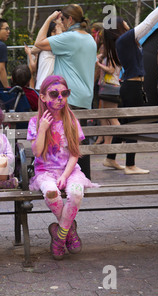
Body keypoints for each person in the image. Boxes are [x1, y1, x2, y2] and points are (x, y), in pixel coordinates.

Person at [27, 75, 99, 260]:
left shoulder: (71, 121)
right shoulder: (36, 122)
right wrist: (42, 129)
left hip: (70, 170)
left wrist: (65, 176)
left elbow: (75, 153)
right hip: (45, 173)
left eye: (64, 93)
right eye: (54, 94)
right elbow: (36, 152)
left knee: (75, 193)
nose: (60, 98)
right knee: (51, 193)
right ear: (42, 97)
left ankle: (59, 237)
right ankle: (70, 230)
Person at [105, 0, 158, 175]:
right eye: (124, 21)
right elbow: (149, 22)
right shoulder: (125, 39)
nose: (128, 24)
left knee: (124, 124)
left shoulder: (124, 41)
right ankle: (130, 165)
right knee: (134, 127)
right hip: (132, 87)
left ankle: (110, 158)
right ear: (119, 26)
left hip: (130, 86)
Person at [34, 4, 97, 180]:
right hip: (85, 97)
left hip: (68, 96)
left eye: (61, 19)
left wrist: (48, 19)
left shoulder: (70, 38)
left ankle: (68, 180)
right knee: (79, 140)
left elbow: (38, 43)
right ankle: (83, 179)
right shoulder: (89, 39)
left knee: (67, 141)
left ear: (69, 19)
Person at [95, 18, 124, 169]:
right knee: (106, 117)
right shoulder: (110, 52)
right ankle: (108, 145)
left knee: (112, 118)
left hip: (111, 87)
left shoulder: (113, 53)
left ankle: (117, 142)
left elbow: (111, 70)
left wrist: (99, 64)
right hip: (106, 87)